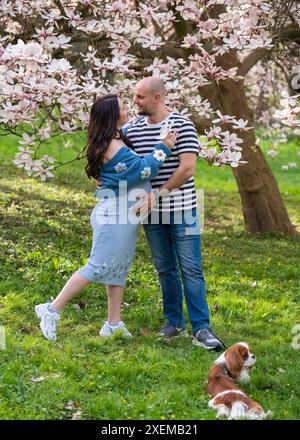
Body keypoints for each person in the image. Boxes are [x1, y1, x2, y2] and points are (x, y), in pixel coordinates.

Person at [34, 94, 177, 341]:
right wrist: (163, 148)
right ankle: (51, 310)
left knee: (118, 268)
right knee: (97, 265)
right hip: (114, 215)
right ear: (113, 116)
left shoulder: (116, 138)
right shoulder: (112, 145)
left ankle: (113, 323)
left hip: (125, 214)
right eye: (123, 107)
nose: (128, 108)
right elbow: (143, 170)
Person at [124, 76, 225, 351]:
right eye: (135, 96)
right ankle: (174, 323)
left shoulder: (182, 125)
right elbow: (128, 165)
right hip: (151, 214)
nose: (135, 101)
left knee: (191, 268)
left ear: (158, 98)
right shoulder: (132, 129)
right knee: (165, 268)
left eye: (140, 97)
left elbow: (187, 168)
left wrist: (158, 193)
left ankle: (202, 328)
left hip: (185, 209)